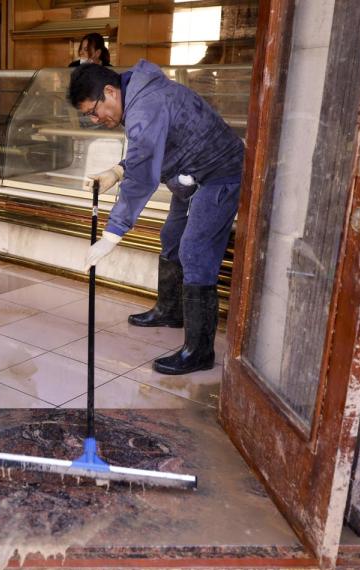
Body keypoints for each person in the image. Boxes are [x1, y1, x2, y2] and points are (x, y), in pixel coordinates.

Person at [69, 62, 243, 375]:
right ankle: (170, 309)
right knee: (171, 238)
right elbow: (148, 146)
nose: (95, 120)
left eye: (93, 111)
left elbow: (142, 174)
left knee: (194, 249)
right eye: (88, 116)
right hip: (188, 172)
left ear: (110, 91)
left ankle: (199, 351)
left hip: (219, 174)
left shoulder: (145, 104)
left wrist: (112, 235)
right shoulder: (139, 93)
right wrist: (116, 171)